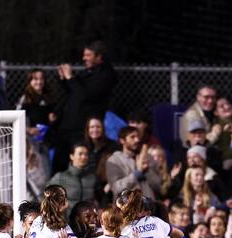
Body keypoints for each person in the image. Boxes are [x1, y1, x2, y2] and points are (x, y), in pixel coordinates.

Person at [53, 41, 118, 173]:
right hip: (68, 127)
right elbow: (73, 92)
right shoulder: (87, 73)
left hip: (82, 129)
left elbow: (86, 95)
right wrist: (63, 79)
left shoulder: (106, 75)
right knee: (59, 164)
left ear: (99, 57)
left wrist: (70, 78)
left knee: (77, 165)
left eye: (88, 55)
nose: (84, 58)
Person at [106, 126, 162, 199]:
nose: (137, 140)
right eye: (132, 137)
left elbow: (159, 186)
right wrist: (137, 173)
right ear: (122, 140)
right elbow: (117, 188)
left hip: (148, 205)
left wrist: (147, 171)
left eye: (138, 137)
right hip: (126, 207)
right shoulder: (114, 160)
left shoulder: (147, 157)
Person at [15, 68, 57, 145]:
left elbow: (53, 114)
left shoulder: (49, 97)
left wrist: (53, 117)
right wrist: (28, 129)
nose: (39, 82)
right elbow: (17, 118)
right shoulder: (26, 98)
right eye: (36, 79)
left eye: (41, 79)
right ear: (30, 81)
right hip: (30, 138)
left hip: (46, 137)